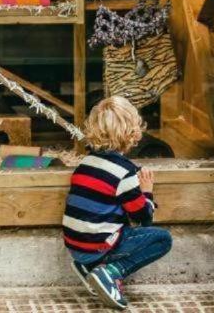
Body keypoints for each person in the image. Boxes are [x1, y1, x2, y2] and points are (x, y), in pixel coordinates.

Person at [62, 96, 172, 310]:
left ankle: (89, 267)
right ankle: (111, 272)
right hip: (98, 246)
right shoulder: (125, 172)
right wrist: (147, 192)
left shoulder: (85, 163)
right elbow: (143, 218)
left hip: (75, 246)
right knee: (163, 239)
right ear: (132, 132)